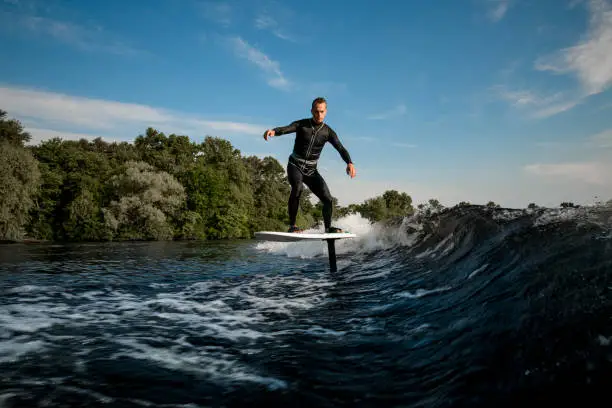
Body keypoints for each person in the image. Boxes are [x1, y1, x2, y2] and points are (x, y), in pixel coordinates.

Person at [263, 97, 356, 233]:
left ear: (326, 112)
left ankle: (328, 228)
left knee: (328, 199)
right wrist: (274, 131)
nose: (319, 115)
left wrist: (349, 162)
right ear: (312, 110)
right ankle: (293, 226)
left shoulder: (328, 132)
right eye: (316, 112)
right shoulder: (302, 124)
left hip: (312, 170)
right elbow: (287, 128)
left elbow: (340, 148)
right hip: (295, 165)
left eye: (322, 112)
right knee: (297, 188)